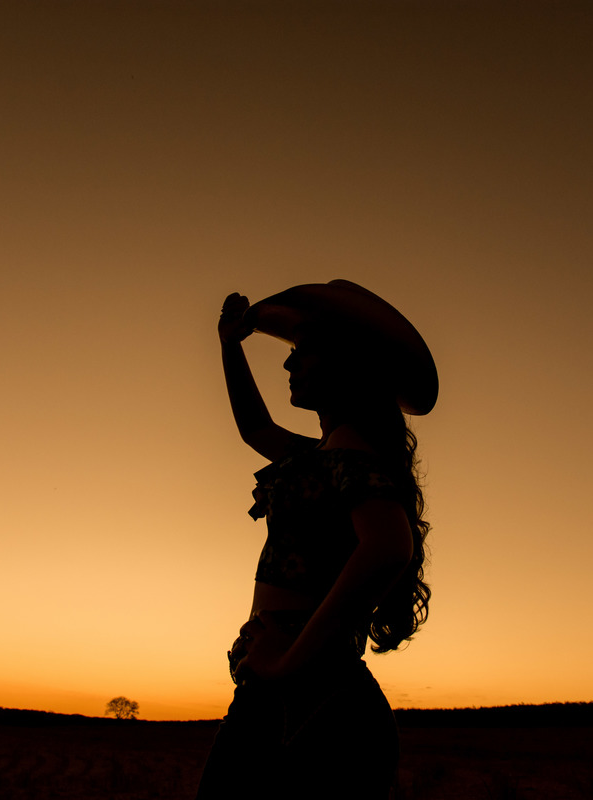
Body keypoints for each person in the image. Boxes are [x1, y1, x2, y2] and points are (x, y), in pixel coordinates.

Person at [196, 280, 437, 800]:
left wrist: (287, 663)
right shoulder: (323, 457)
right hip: (302, 696)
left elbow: (390, 547)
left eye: (304, 351)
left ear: (348, 366)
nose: (288, 363)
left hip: (308, 699)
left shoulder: (349, 457)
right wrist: (230, 347)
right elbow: (255, 428)